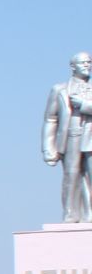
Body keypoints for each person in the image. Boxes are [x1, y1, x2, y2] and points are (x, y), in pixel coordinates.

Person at [41, 51, 92, 224]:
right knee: (72, 175)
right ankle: (71, 214)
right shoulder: (60, 89)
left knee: (90, 174)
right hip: (71, 136)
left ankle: (89, 214)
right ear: (73, 67)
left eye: (89, 62)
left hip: (90, 136)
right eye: (83, 62)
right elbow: (51, 118)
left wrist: (84, 106)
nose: (87, 65)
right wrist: (48, 147)